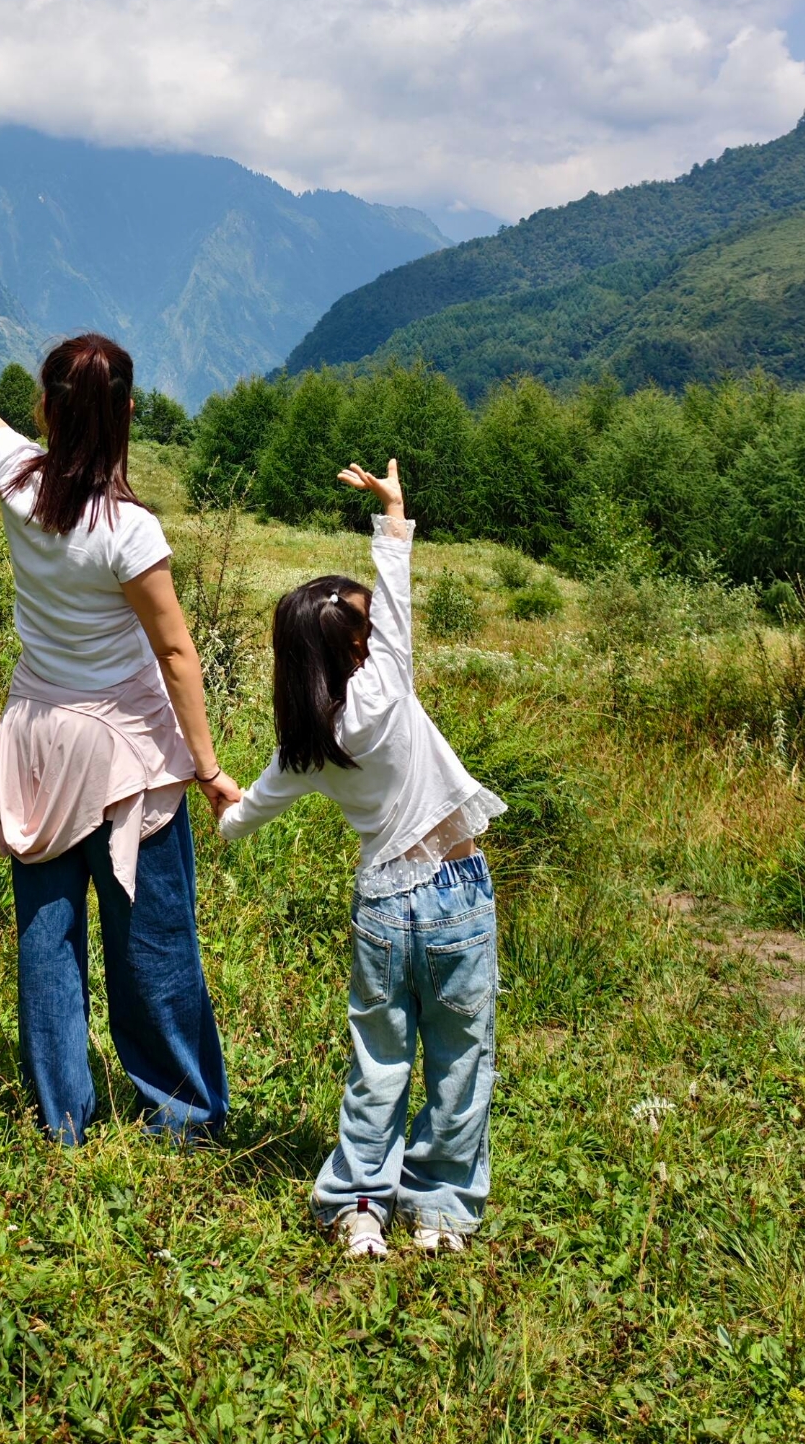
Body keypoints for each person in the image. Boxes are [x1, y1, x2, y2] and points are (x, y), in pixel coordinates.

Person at [0, 298, 238, 1145]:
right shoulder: (128, 530)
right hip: (125, 755)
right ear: (126, 414)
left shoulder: (17, 479)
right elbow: (175, 652)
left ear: (47, 411)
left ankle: (62, 1118)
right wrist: (206, 768)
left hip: (34, 738)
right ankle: (181, 1116)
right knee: (152, 942)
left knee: (47, 935)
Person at [214, 457, 504, 1259]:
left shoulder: (304, 745)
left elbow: (240, 819)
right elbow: (397, 591)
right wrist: (392, 513)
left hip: (381, 903)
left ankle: (358, 1205)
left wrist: (218, 793)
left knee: (378, 1061)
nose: (380, 629)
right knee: (458, 1057)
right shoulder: (386, 685)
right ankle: (438, 1208)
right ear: (355, 644)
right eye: (368, 626)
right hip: (454, 891)